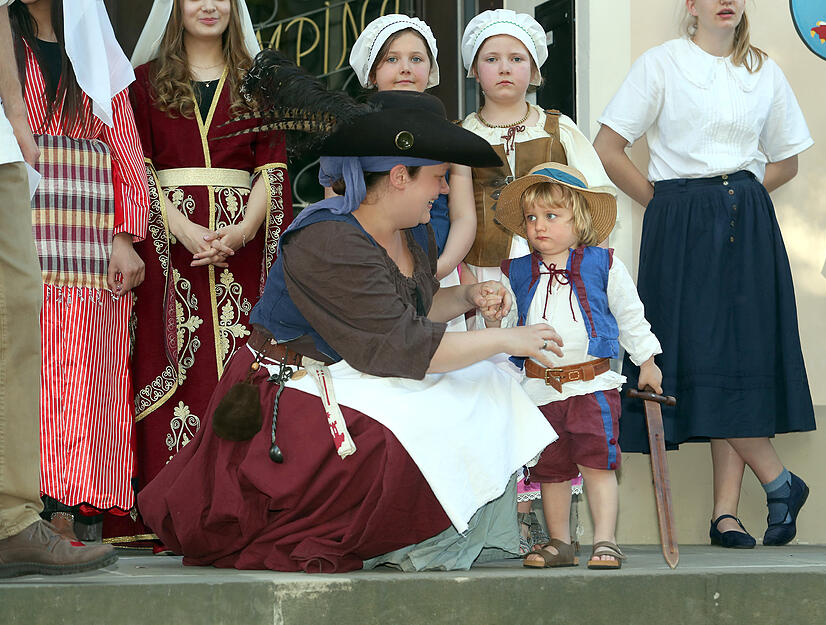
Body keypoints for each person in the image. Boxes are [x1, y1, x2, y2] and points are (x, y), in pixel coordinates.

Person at [136, 60, 564, 572]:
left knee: (487, 387)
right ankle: (403, 536)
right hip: (291, 390)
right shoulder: (328, 239)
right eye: (438, 177)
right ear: (400, 177)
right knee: (402, 428)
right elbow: (407, 348)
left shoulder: (414, 230)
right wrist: (509, 340)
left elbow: (410, 311)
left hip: (355, 372)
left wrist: (467, 300)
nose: (446, 190)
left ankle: (441, 534)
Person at [593, 0, 814, 548]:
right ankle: (779, 481)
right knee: (698, 353)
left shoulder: (763, 69)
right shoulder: (662, 63)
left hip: (745, 218)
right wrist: (662, 202)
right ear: (690, 6)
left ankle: (725, 515)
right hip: (679, 215)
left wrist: (745, 192)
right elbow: (607, 147)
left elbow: (787, 158)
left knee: (737, 358)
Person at [102, 0, 293, 545]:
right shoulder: (140, 84)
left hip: (242, 248)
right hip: (168, 248)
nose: (208, 5)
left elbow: (271, 171)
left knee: (241, 370)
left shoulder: (261, 86)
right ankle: (169, 512)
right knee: (173, 370)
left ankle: (242, 510)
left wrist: (237, 233)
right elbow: (136, 168)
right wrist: (184, 230)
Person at [453, 8, 618, 545]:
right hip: (488, 281)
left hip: (556, 285)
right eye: (492, 58)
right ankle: (504, 519)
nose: (505, 68)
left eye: (517, 58)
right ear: (473, 70)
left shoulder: (558, 129)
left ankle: (558, 526)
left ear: (535, 69)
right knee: (495, 389)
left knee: (553, 393)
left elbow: (595, 203)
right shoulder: (460, 136)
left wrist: (589, 280)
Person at [7, 0, 148, 541]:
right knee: (26, 359)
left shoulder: (89, 38)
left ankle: (78, 500)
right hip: (20, 218)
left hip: (91, 229)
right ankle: (29, 502)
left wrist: (123, 236)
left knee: (87, 371)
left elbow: (125, 147)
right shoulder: (1, 38)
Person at [484, 163, 662, 569]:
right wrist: (494, 319)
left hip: (591, 384)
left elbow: (631, 316)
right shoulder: (517, 272)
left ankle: (605, 540)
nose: (538, 226)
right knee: (551, 469)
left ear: (578, 218)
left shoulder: (604, 265)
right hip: (540, 388)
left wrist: (647, 361)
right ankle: (561, 542)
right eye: (531, 218)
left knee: (597, 461)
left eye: (551, 216)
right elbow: (507, 330)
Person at [0, 0, 116, 577]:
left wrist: (124, 230)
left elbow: (123, 133)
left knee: (40, 339)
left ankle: (33, 514)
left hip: (78, 225)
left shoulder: (83, 34)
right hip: (26, 190)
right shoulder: (12, 35)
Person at [347, 14, 469, 332]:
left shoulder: (451, 137)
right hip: (368, 278)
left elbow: (464, 217)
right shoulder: (350, 137)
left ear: (430, 71)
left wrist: (438, 270)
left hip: (437, 276)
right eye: (392, 59)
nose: (405, 68)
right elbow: (338, 211)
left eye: (416, 58)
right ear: (373, 73)